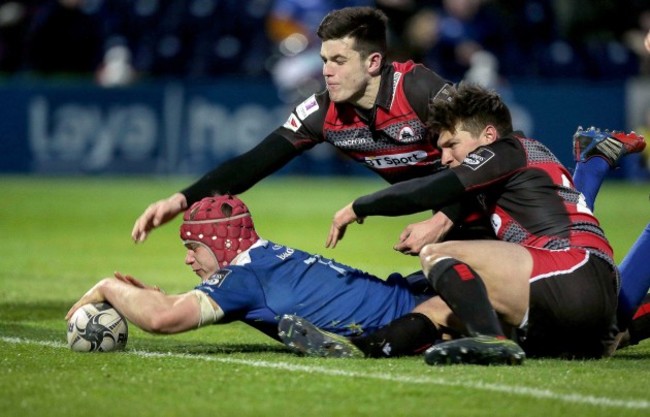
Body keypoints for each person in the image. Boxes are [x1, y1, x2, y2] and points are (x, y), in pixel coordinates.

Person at [283, 83, 620, 365]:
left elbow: (432, 190)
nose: (444, 158)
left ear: (488, 135)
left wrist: (359, 206)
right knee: (445, 307)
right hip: (588, 296)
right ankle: (365, 348)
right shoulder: (518, 165)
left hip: (569, 270)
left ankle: (491, 341)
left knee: (436, 254)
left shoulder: (507, 148)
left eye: (451, 145)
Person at [131, 6, 477, 253]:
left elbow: (486, 159)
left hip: (505, 201)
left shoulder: (417, 89)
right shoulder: (322, 112)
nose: (327, 72)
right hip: (458, 215)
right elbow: (254, 163)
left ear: (373, 63)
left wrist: (443, 219)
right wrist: (181, 199)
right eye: (324, 60)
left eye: (339, 61)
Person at [65, 194, 441, 356]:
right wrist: (161, 297)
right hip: (413, 295)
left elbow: (162, 319)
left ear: (218, 242)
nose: (188, 261)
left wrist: (107, 287)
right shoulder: (261, 258)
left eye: (192, 249)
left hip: (425, 314)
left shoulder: (243, 278)